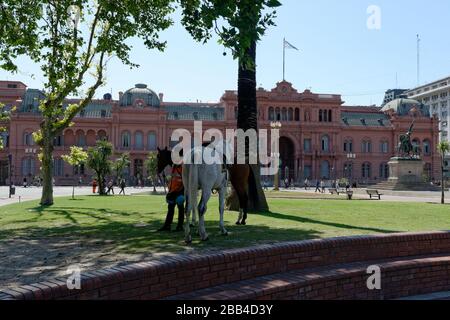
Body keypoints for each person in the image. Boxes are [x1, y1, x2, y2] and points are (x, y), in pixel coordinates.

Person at [158, 164, 185, 232]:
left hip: (180, 191)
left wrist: (182, 191)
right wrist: (169, 191)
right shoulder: (174, 167)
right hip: (172, 191)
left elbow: (185, 180)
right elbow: (173, 180)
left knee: (180, 208)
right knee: (170, 208)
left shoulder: (183, 167)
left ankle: (180, 226)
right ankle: (167, 226)